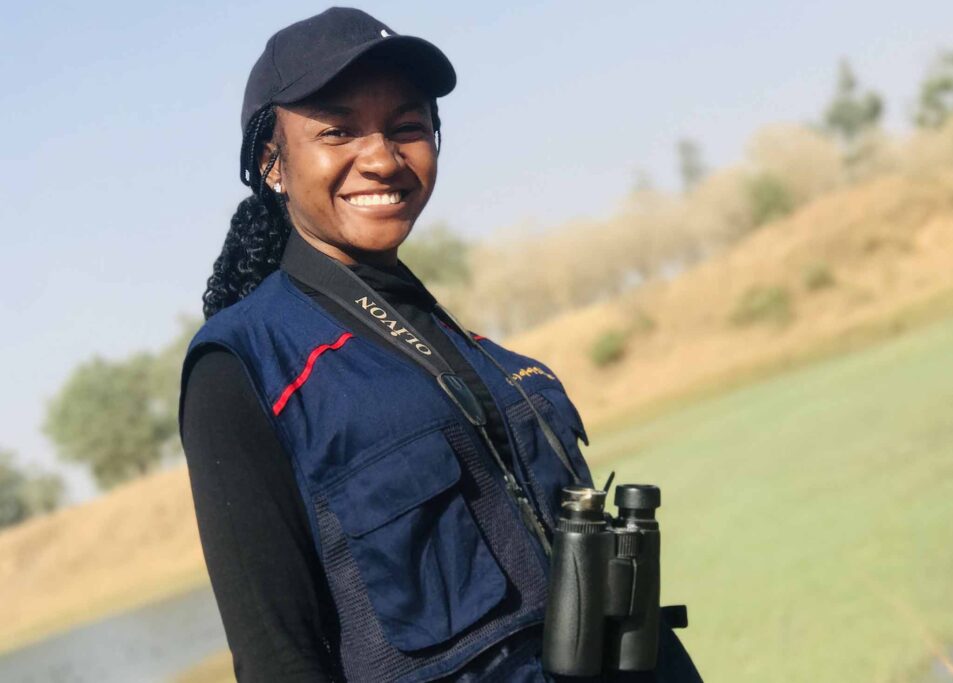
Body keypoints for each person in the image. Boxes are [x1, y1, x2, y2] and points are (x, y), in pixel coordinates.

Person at [179, 8, 701, 682]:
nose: (382, 158)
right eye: (337, 130)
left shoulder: (489, 356)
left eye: (407, 127)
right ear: (272, 163)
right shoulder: (242, 366)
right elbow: (278, 656)